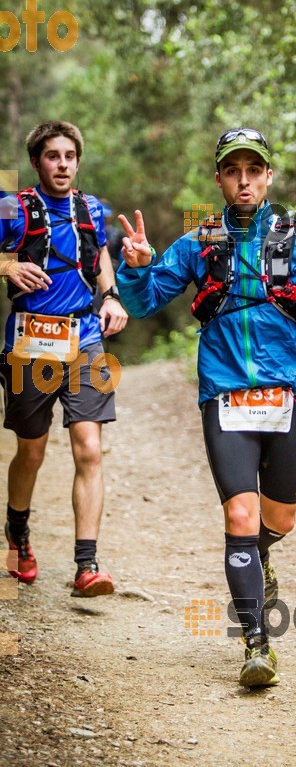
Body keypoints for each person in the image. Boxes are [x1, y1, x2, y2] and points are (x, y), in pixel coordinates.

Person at [116, 128, 296, 686]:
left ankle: (261, 559)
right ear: (219, 178)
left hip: (287, 394)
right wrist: (137, 266)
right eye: (232, 170)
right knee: (240, 513)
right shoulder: (199, 242)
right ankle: (256, 644)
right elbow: (142, 303)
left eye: (252, 170)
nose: (243, 179)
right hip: (225, 395)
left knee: (277, 518)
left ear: (266, 177)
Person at [0, 120, 128, 597]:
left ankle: (87, 565)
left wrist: (111, 295)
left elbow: (99, 257)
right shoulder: (14, 207)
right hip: (30, 342)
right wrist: (9, 264)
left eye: (70, 156)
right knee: (31, 451)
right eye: (53, 156)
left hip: (86, 339)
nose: (63, 164)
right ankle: (18, 533)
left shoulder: (92, 208)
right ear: (37, 162)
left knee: (89, 449)